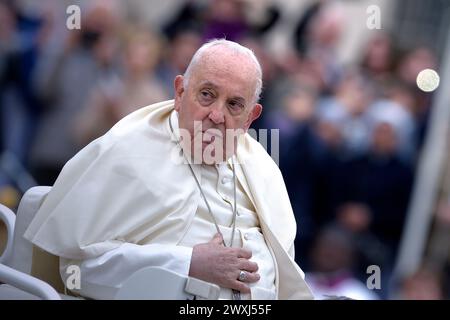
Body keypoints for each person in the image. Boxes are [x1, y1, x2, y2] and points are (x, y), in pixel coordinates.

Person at [23, 39, 313, 300]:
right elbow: (78, 271)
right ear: (179, 92)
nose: (216, 115)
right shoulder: (128, 148)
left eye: (234, 104)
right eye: (207, 94)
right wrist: (187, 262)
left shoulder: (263, 167)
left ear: (250, 117)